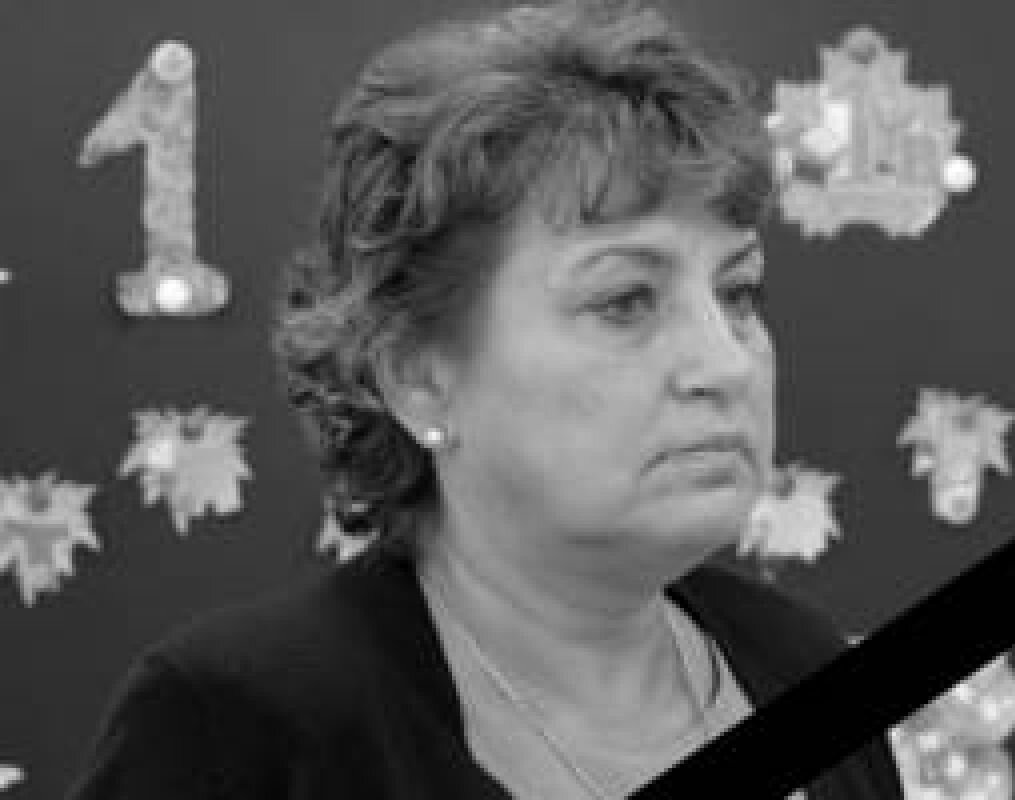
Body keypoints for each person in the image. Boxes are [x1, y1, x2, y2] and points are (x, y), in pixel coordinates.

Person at [67, 1, 905, 797]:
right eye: (625, 301)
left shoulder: (800, 660)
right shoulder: (240, 730)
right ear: (417, 376)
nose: (724, 365)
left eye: (739, 293)